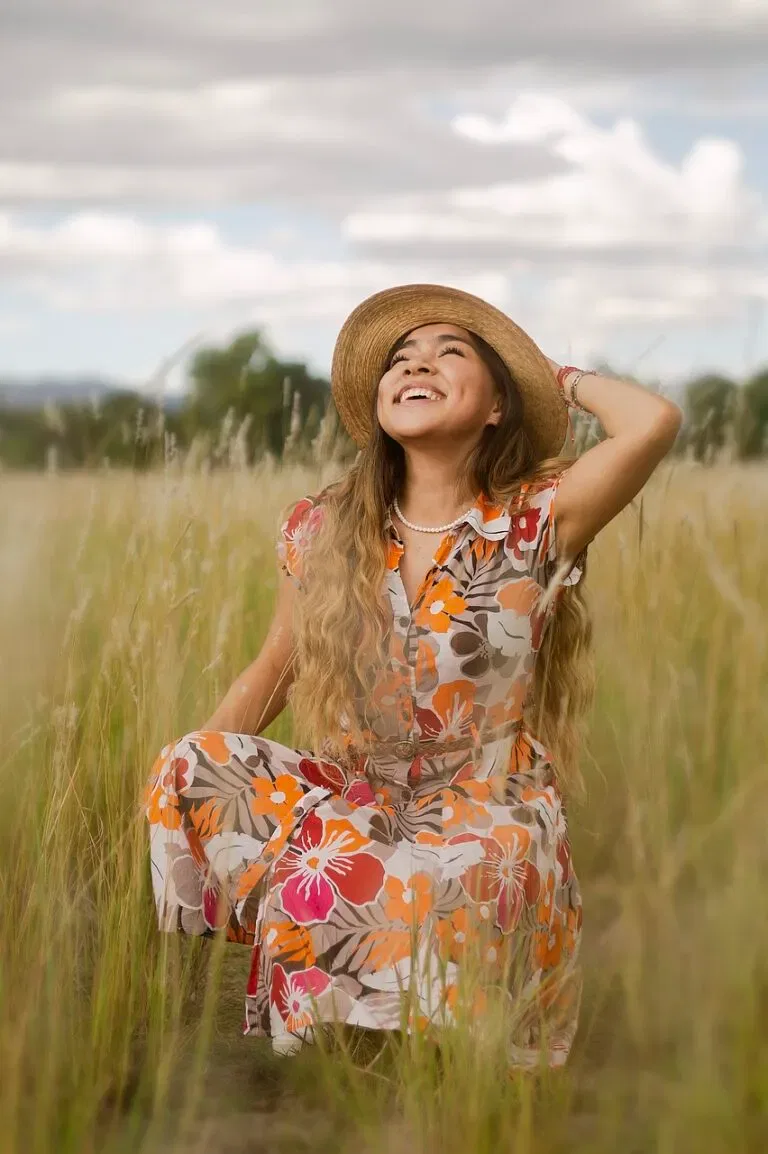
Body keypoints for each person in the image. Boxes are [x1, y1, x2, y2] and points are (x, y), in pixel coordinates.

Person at [144, 283, 681, 1068]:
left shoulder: (538, 516)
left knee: (441, 865)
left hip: (485, 804)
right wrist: (196, 780)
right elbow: (277, 666)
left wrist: (554, 377)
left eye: (449, 353)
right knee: (191, 765)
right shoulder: (320, 526)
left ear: (495, 406)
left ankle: (401, 1012)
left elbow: (653, 422)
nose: (416, 365)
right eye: (401, 359)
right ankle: (345, 979)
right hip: (360, 795)